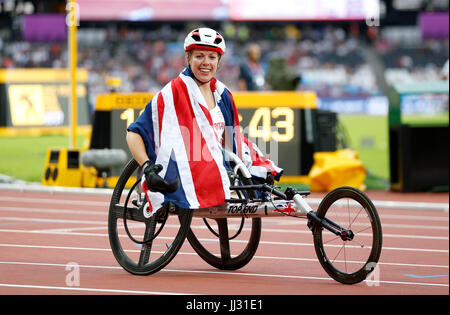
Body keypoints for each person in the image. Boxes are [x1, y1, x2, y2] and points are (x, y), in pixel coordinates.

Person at [126, 27, 282, 216]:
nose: (206, 63)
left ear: (219, 62)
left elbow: (232, 140)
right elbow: (133, 133)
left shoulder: (222, 95)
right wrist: (147, 168)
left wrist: (250, 168)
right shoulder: (173, 93)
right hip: (186, 171)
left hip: (217, 167)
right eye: (199, 56)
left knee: (261, 168)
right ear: (188, 59)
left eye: (211, 57)